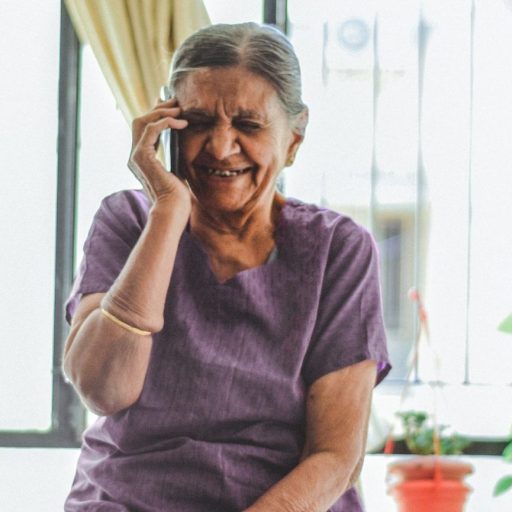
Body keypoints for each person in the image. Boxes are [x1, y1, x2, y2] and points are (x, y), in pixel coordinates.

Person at [62, 22, 391, 512]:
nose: (219, 146)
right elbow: (104, 390)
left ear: (294, 138)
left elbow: (334, 456)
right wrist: (167, 214)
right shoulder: (128, 220)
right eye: (196, 122)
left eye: (248, 125)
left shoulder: (337, 250)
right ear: (166, 123)